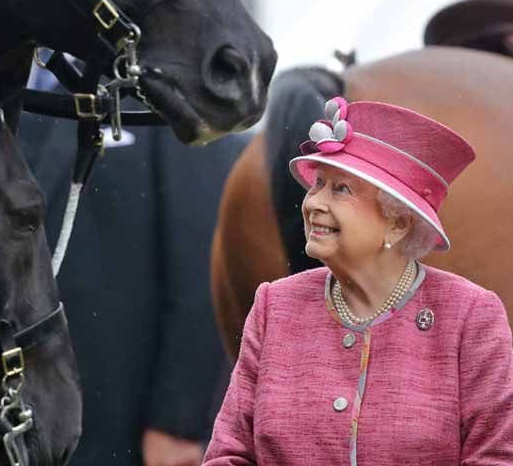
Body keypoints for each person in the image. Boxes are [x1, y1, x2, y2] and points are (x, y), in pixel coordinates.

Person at [204, 96, 513, 465]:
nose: (313, 202)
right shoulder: (275, 305)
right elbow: (228, 454)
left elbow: (496, 457)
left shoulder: (470, 315)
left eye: (341, 189)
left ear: (398, 222)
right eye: (318, 183)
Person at [19, 63, 245, 466]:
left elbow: (203, 261)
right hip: (17, 420)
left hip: (127, 423)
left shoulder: (168, 86)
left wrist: (178, 423)